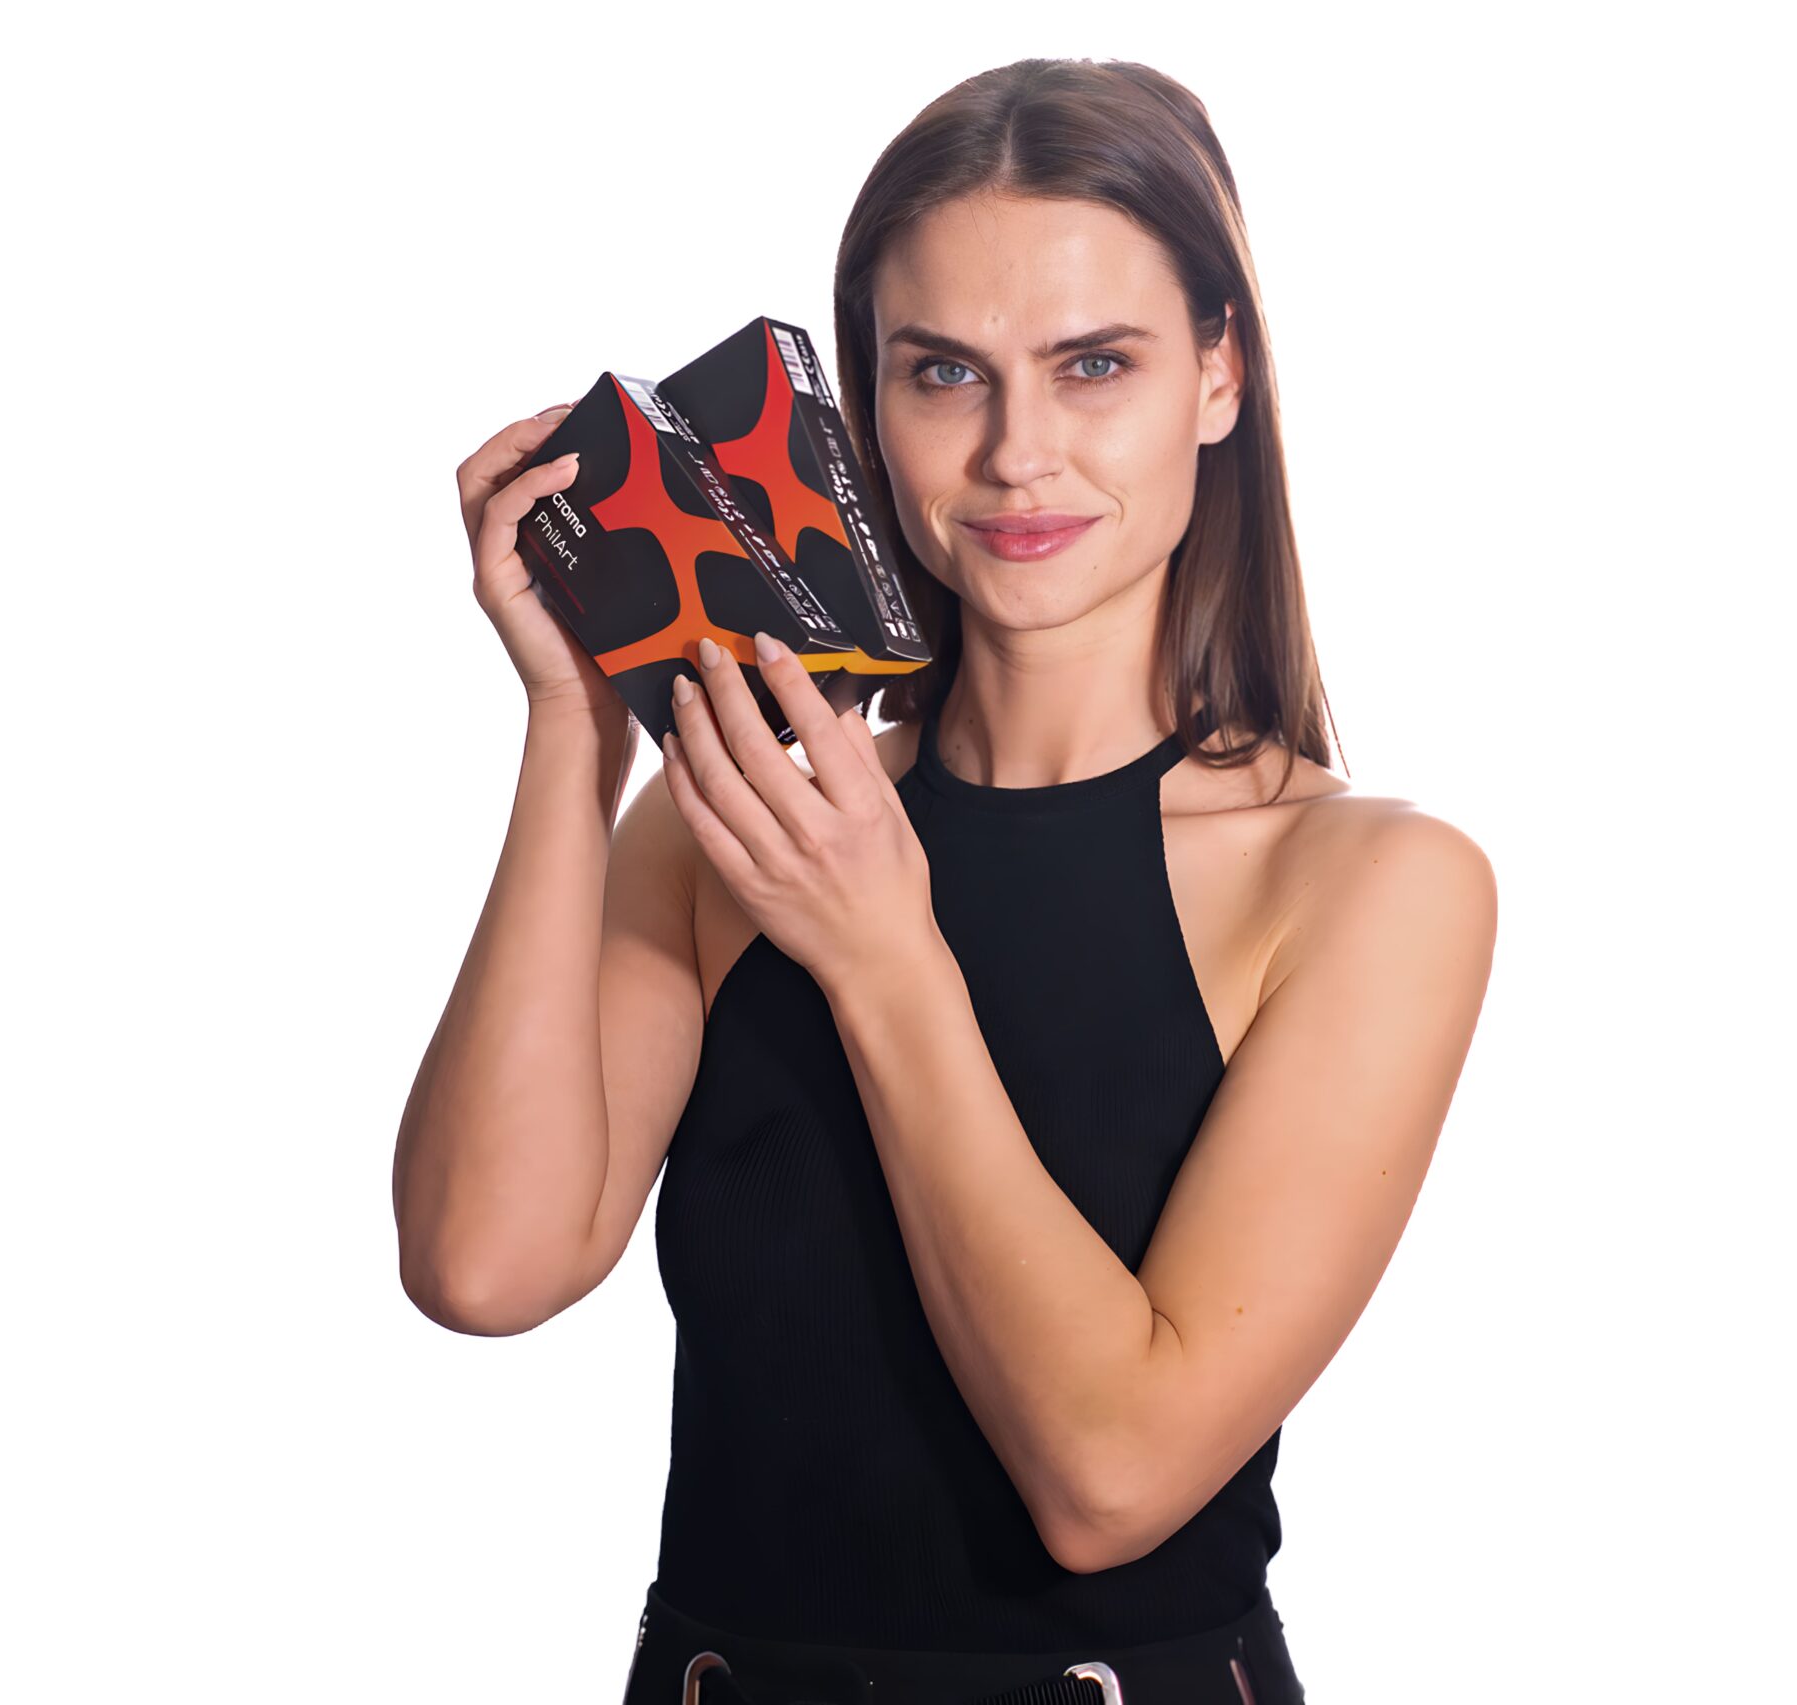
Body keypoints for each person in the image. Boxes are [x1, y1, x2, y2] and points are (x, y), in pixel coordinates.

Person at [395, 56, 1497, 1705]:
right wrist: (578, 720)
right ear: (864, 403)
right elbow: (483, 1264)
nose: (1014, 453)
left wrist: (883, 954)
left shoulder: (1370, 884)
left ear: (1219, 372)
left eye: (1094, 364)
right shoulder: (730, 821)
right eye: (943, 373)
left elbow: (1110, 1476)